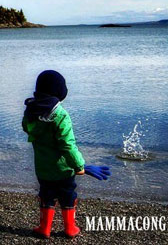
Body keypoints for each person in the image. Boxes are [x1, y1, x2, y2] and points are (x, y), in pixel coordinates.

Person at [22, 70, 111, 238]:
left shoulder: (31, 112)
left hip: (43, 169)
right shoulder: (60, 115)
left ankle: (45, 229)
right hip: (64, 170)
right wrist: (79, 166)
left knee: (46, 196)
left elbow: (27, 128)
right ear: (59, 92)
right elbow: (67, 146)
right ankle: (70, 229)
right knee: (68, 196)